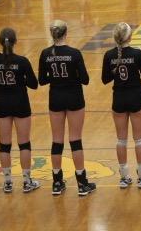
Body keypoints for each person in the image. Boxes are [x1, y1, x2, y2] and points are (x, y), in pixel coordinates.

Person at [39, 20, 97, 196]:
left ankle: (57, 182)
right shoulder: (74, 53)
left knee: (57, 141)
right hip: (74, 98)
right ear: (66, 33)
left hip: (55, 98)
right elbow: (85, 79)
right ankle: (81, 183)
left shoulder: (45, 53)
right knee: (75, 140)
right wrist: (72, 77)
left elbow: (42, 80)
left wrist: (57, 78)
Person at [0, 28, 39, 193]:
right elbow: (34, 84)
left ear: (0, 42)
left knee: (4, 144)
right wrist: (19, 78)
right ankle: (26, 180)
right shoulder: (22, 61)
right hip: (20, 103)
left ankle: (8, 182)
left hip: (2, 103)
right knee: (24, 143)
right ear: (15, 42)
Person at [101, 23, 141, 188]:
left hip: (119, 99)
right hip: (136, 98)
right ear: (130, 37)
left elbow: (105, 79)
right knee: (139, 139)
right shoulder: (137, 53)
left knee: (121, 140)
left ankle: (123, 177)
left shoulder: (109, 55)